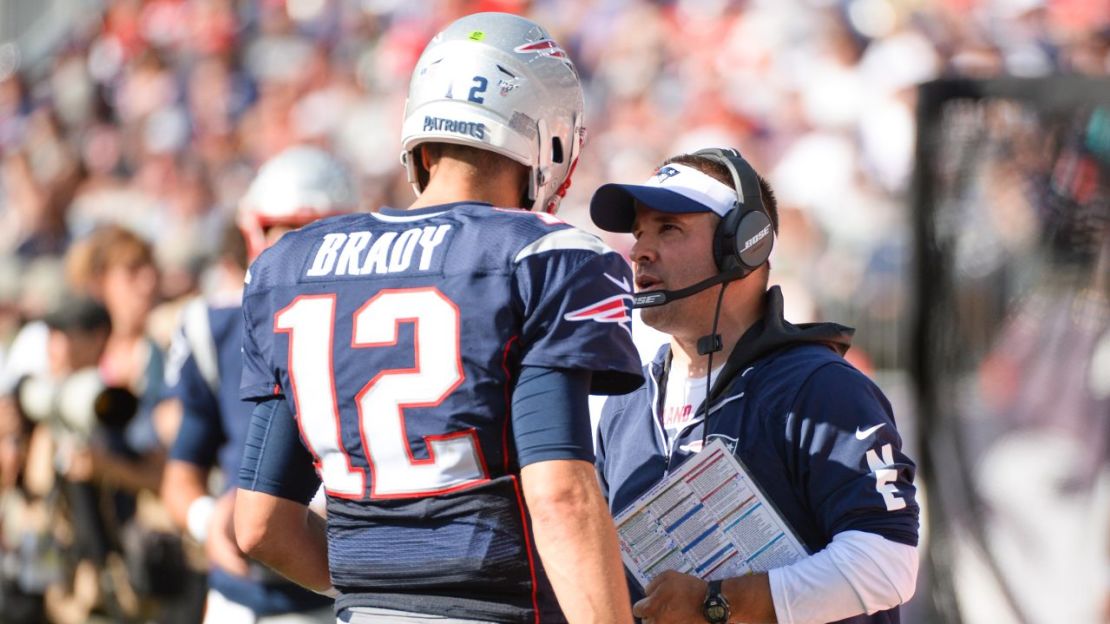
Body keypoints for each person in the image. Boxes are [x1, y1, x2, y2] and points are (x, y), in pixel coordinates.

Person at [232, 12, 643, 624]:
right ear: (548, 139)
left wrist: (380, 593)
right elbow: (560, 497)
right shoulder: (545, 256)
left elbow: (260, 524)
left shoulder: (288, 265)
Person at [589, 149, 920, 624]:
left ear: (744, 245)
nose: (640, 250)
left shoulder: (821, 389)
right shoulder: (626, 403)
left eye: (668, 228)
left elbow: (886, 563)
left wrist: (716, 604)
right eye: (639, 232)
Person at [160, 145, 359, 623]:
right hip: (243, 596)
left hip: (344, 592)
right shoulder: (215, 327)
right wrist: (210, 520)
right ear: (255, 233)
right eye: (282, 233)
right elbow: (180, 474)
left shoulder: (371, 332)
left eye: (311, 235)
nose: (293, 253)